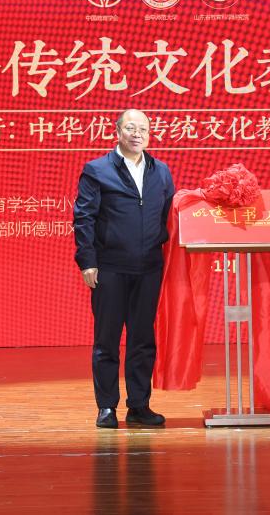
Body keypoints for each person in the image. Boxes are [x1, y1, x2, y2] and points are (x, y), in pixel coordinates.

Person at [73, 109, 175, 429]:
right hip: (110, 267)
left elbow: (170, 216)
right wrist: (87, 260)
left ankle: (139, 405)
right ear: (117, 131)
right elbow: (84, 217)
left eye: (143, 129)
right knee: (107, 340)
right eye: (130, 128)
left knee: (142, 340)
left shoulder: (161, 171)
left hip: (149, 268)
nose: (137, 134)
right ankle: (106, 407)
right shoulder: (97, 170)